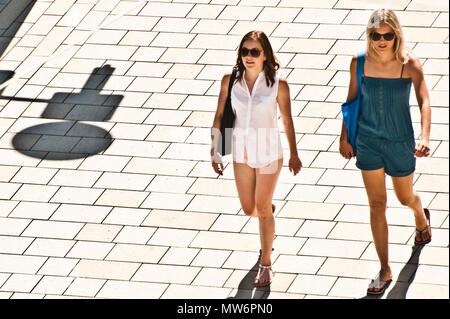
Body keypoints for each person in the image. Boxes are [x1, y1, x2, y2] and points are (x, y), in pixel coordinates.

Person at [339, 9, 432, 295]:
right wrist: (345, 137)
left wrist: (425, 136)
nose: (381, 40)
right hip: (367, 141)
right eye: (376, 35)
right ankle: (384, 268)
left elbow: (424, 100)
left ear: (396, 35)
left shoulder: (408, 64)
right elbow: (351, 100)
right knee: (377, 204)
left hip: (399, 141)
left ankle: (421, 217)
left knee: (405, 197)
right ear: (369, 36)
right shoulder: (359, 63)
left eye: (387, 35)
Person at [210, 31, 302, 287]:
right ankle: (267, 213)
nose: (249, 57)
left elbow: (287, 119)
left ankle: (266, 263)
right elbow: (221, 115)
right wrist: (216, 149)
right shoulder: (230, 80)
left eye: (255, 52)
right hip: (241, 153)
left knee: (261, 209)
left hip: (269, 154)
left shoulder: (278, 84)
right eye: (245, 51)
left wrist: (294, 153)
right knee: (250, 208)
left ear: (265, 55)